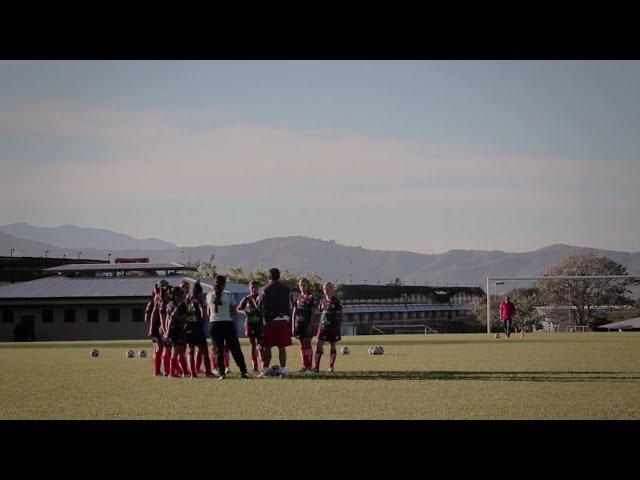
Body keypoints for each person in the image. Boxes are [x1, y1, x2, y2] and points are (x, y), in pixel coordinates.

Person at [206, 275, 249, 379]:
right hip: (226, 323)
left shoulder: (208, 295)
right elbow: (234, 311)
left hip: (214, 324)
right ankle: (243, 371)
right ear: (224, 284)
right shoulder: (229, 295)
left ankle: (222, 373)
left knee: (219, 350)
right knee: (235, 349)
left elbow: (208, 312)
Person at [257, 268, 292, 377]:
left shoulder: (264, 289)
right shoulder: (286, 288)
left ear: (269, 277)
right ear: (279, 276)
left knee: (267, 346)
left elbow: (260, 306)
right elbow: (291, 305)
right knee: (282, 347)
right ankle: (282, 369)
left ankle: (266, 369)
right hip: (283, 320)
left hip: (270, 320)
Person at [185, 281, 214, 378]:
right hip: (197, 328)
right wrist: (203, 318)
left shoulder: (187, 300)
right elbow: (203, 310)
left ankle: (193, 373)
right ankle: (208, 373)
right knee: (204, 351)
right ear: (200, 292)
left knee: (191, 351)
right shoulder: (198, 300)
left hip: (188, 328)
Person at [313, 282, 342, 373]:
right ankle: (316, 367)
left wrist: (338, 325)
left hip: (333, 327)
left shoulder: (336, 301)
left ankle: (331, 366)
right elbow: (320, 312)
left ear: (332, 289)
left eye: (328, 288)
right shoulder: (322, 301)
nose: (326, 290)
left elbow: (340, 314)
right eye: (324, 288)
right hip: (323, 327)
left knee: (332, 346)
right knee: (318, 346)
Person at [236, 280, 265, 372]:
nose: (253, 289)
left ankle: (263, 365)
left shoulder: (262, 298)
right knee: (252, 344)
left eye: (255, 287)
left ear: (258, 288)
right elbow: (238, 309)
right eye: (252, 287)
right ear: (249, 288)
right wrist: (244, 311)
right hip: (250, 324)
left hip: (259, 324)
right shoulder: (246, 298)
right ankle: (254, 366)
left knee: (260, 345)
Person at [164, 286, 191, 377]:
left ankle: (184, 372)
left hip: (181, 329)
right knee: (176, 352)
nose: (183, 295)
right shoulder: (172, 305)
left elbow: (189, 316)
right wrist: (167, 332)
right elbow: (171, 319)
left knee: (182, 352)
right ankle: (172, 373)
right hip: (175, 330)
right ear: (177, 295)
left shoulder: (181, 304)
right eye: (182, 293)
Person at [291, 278, 317, 372]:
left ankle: (309, 366)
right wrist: (293, 326)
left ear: (308, 285)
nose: (302, 286)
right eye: (300, 285)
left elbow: (313, 312)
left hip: (307, 324)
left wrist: (310, 325)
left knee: (308, 344)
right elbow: (294, 312)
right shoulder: (297, 297)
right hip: (299, 325)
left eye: (303, 285)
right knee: (301, 345)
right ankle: (304, 366)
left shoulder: (311, 297)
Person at [145, 283, 165, 376]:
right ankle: (157, 371)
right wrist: (152, 327)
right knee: (159, 349)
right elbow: (147, 317)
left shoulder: (162, 300)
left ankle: (157, 370)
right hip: (156, 329)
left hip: (158, 328)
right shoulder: (153, 302)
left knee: (157, 349)